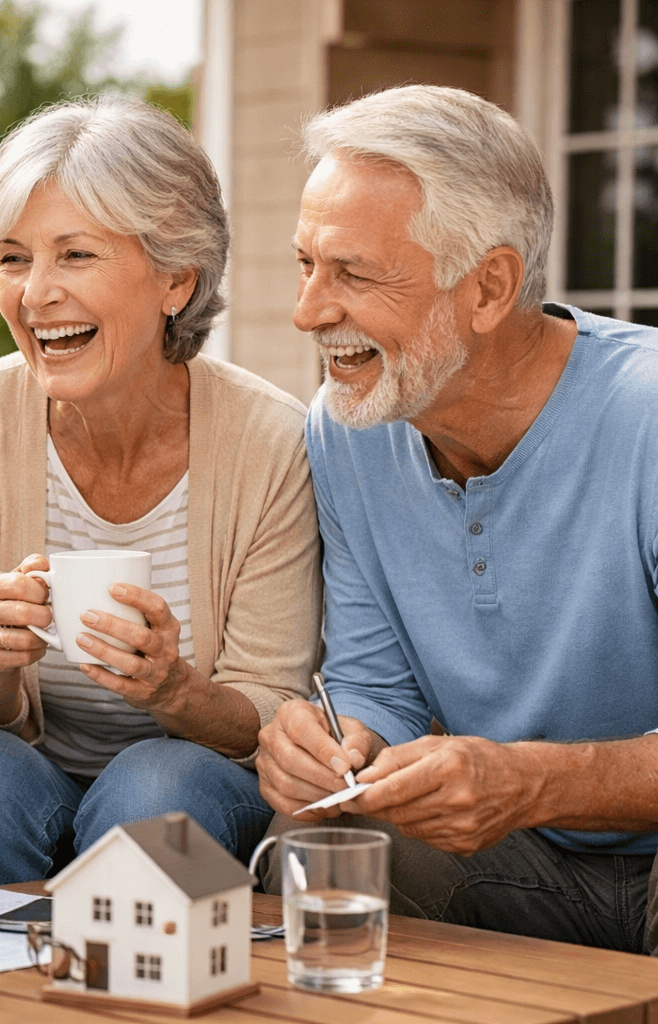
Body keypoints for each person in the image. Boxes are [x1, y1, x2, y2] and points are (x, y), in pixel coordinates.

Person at [256, 84, 658, 953]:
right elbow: (375, 686)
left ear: (489, 287)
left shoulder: (650, 415)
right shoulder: (350, 426)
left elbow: (529, 783)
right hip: (522, 863)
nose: (308, 312)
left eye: (353, 273)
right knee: (319, 846)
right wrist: (339, 743)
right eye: (305, 264)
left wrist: (537, 781)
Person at [0, 96, 321, 886]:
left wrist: (175, 690)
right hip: (23, 779)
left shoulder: (271, 440)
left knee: (155, 785)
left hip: (198, 782)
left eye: (76, 256)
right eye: (12, 258)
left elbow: (266, 714)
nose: (34, 296)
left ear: (176, 278)